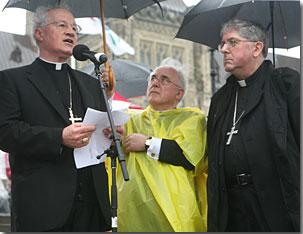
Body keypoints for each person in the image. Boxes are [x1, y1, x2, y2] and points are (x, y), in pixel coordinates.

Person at [0, 6, 112, 232]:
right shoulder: (14, 80)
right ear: (39, 34)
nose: (71, 32)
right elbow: (6, 133)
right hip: (43, 204)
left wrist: (110, 133)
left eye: (74, 27)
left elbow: (100, 134)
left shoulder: (91, 83)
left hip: (91, 203)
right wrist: (58, 137)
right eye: (62, 25)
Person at [207, 19, 300, 232]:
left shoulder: (286, 85)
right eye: (222, 44)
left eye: (232, 42)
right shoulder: (220, 99)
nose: (223, 50)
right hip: (232, 208)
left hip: (276, 205)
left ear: (257, 48)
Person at [106, 64, 208, 232]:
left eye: (164, 80)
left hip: (174, 211)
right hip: (133, 215)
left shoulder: (191, 119)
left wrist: (148, 143)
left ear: (179, 93)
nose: (155, 83)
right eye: (153, 78)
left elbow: (190, 158)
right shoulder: (130, 119)